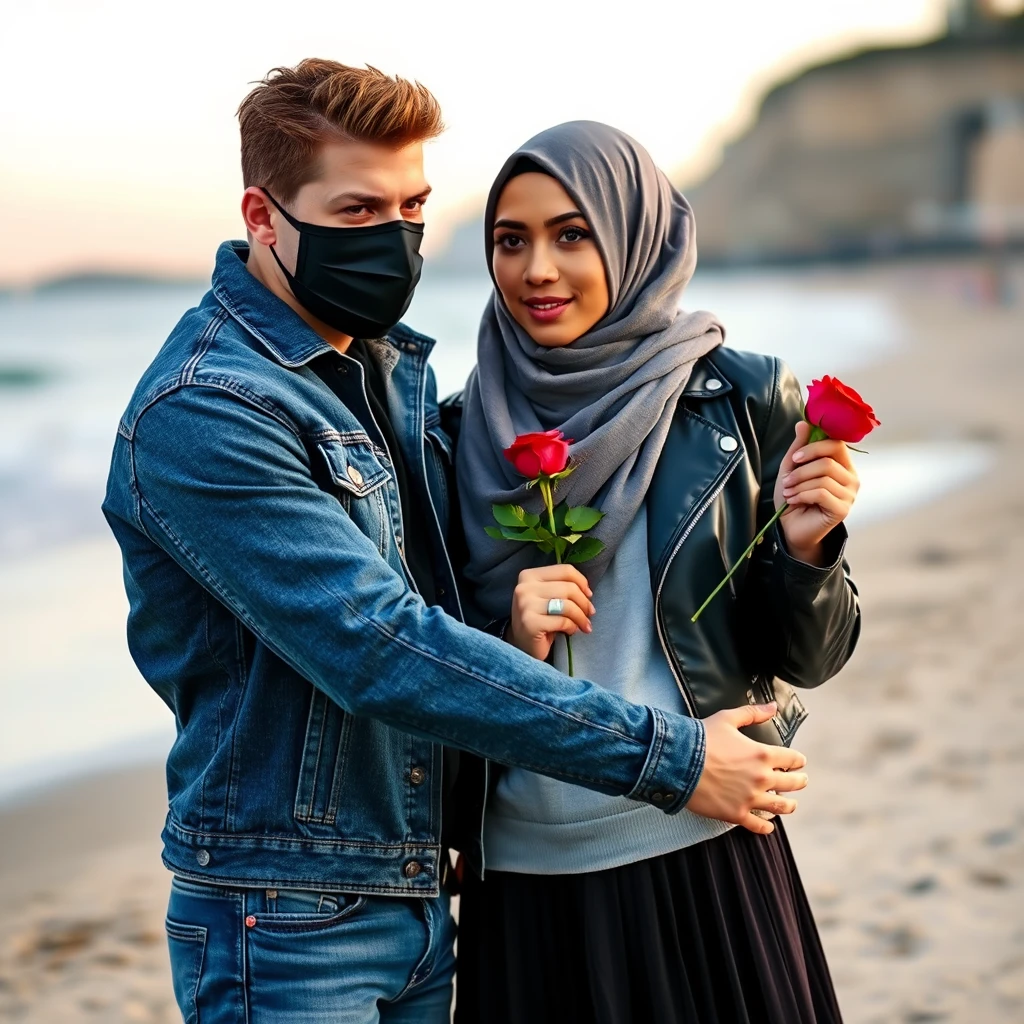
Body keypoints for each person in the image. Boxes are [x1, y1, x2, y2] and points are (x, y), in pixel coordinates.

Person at [101, 66, 811, 1022]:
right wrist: (673, 758)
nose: (394, 238)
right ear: (263, 218)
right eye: (357, 208)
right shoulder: (210, 410)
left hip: (422, 896)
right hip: (288, 915)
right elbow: (380, 647)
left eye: (413, 206)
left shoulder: (383, 380)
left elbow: (443, 623)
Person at [453, 121, 862, 1024]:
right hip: (524, 879)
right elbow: (424, 666)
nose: (536, 270)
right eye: (509, 241)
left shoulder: (739, 395)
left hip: (702, 848)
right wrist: (510, 639)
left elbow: (812, 654)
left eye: (572, 234)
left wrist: (806, 548)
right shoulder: (458, 434)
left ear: (636, 235)